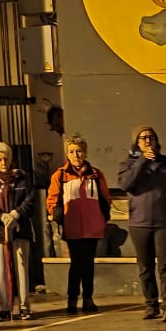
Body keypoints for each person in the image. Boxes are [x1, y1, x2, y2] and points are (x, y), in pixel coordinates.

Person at [117, 127, 166, 322]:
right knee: (145, 268)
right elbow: (125, 185)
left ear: (156, 141)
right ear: (137, 143)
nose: (147, 140)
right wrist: (141, 161)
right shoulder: (128, 164)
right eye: (143, 138)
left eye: (151, 137)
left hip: (165, 223)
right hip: (139, 224)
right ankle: (151, 305)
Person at [47, 135, 107, 315]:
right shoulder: (60, 175)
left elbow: (105, 198)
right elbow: (52, 199)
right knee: (76, 265)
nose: (76, 155)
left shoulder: (96, 174)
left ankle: (88, 298)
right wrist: (57, 215)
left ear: (85, 152)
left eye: (79, 151)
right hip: (72, 227)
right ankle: (72, 299)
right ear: (67, 154)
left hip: (92, 227)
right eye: (72, 151)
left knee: (88, 265)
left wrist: (103, 217)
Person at [0, 142, 37, 322]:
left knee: (22, 268)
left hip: (20, 230)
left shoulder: (22, 179)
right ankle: (5, 307)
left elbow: (30, 200)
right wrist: (1, 216)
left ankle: (25, 306)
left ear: (11, 159)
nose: (3, 163)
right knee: (2, 272)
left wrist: (16, 214)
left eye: (6, 159)